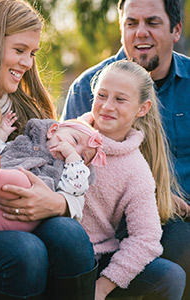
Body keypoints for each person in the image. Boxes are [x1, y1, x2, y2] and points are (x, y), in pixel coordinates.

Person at [0, 0, 97, 299]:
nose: (28, 63)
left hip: (20, 219)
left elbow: (58, 170)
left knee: (69, 234)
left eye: (33, 53)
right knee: (27, 251)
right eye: (20, 50)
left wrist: (57, 204)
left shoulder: (24, 106)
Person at [62, 0, 190, 297]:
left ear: (176, 30)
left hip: (176, 220)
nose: (140, 32)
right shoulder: (88, 89)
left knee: (181, 241)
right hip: (106, 226)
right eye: (131, 23)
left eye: (152, 23)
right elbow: (68, 166)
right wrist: (157, 194)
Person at [80, 60, 185, 299]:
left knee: (171, 275)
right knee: (65, 234)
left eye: (120, 99)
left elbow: (146, 238)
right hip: (57, 243)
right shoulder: (67, 134)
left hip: (96, 258)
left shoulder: (136, 170)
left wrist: (103, 287)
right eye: (102, 95)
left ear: (142, 108)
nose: (107, 106)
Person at [0, 115, 106, 240]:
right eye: (74, 140)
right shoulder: (25, 144)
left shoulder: (69, 169)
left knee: (24, 179)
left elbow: (75, 188)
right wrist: (0, 137)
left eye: (83, 157)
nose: (76, 150)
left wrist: (73, 158)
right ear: (52, 131)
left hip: (25, 213)